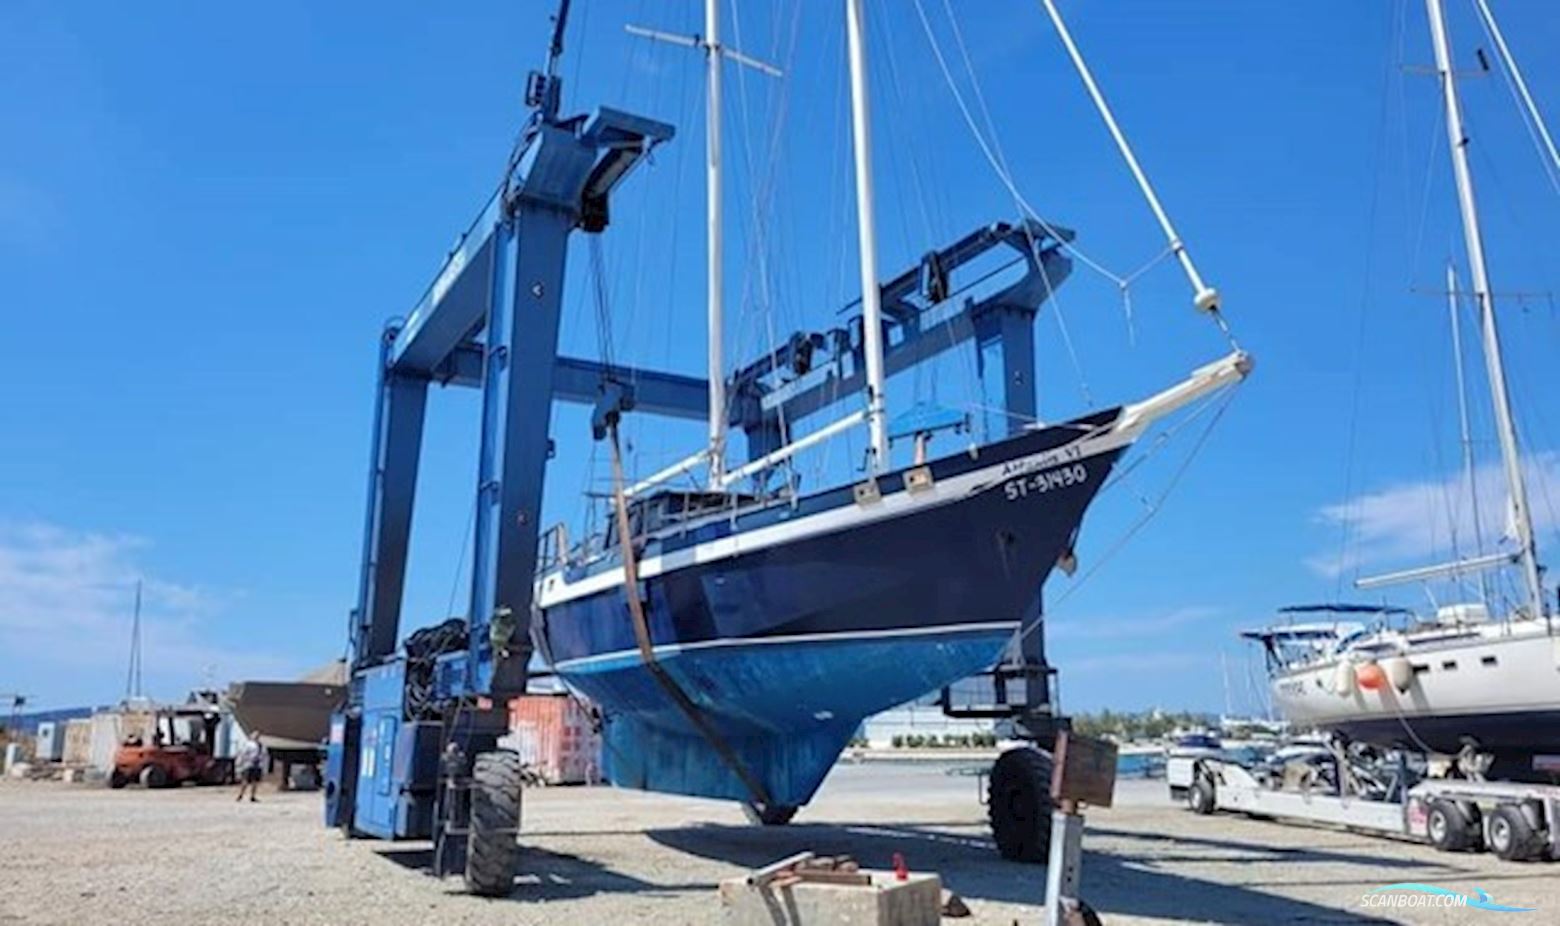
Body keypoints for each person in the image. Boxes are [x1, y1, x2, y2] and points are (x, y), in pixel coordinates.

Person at [235, 731, 268, 802]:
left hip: (257, 765)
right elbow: (243, 754)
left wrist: (263, 765)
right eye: (255, 735)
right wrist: (240, 763)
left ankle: (252, 796)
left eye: (258, 735)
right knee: (245, 781)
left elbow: (264, 755)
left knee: (255, 782)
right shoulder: (248, 745)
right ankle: (240, 795)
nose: (256, 736)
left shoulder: (261, 745)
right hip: (249, 764)